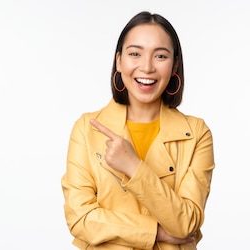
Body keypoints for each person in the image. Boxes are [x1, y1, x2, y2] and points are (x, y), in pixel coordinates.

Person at [61, 11, 215, 250]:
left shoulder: (196, 133)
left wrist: (133, 166)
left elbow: (187, 222)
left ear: (174, 64)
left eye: (160, 56)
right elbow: (80, 219)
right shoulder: (87, 129)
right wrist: (155, 232)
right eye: (135, 53)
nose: (147, 67)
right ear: (119, 61)